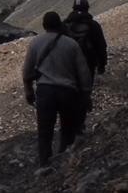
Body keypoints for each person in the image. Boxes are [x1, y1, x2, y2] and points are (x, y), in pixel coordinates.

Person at [22, 11, 93, 167]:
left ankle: (45, 164)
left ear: (44, 26)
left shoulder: (35, 44)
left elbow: (26, 72)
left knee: (44, 131)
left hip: (45, 92)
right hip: (68, 92)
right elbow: (84, 73)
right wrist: (86, 94)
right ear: (59, 24)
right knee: (68, 128)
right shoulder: (71, 44)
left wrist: (28, 91)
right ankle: (64, 160)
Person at [63, 0, 108, 76]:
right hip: (88, 62)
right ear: (87, 8)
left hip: (70, 63)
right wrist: (102, 64)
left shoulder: (65, 25)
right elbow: (101, 46)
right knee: (88, 82)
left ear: (73, 8)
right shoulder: (93, 25)